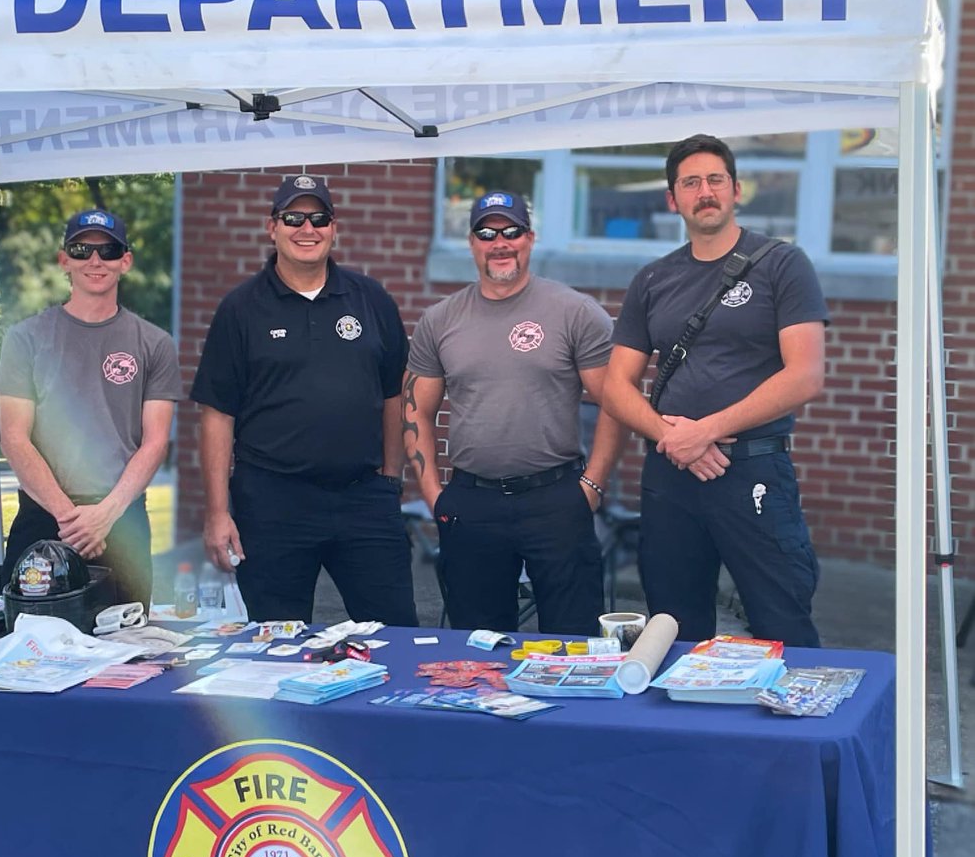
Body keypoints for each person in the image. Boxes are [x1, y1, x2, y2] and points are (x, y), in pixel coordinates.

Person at [602, 134, 828, 645]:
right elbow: (616, 386)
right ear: (672, 199)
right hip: (670, 474)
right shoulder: (653, 279)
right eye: (691, 183)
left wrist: (705, 432)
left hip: (751, 470)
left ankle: (788, 726)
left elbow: (805, 374)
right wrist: (673, 438)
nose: (705, 191)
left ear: (736, 190)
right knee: (672, 626)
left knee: (781, 619)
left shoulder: (782, 265)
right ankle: (682, 725)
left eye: (715, 180)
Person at [190, 173, 417, 626]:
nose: (306, 229)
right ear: (272, 227)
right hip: (273, 501)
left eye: (319, 218)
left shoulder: (371, 299)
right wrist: (217, 512)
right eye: (293, 217)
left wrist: (391, 478)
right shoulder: (241, 308)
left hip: (363, 498)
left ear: (335, 228)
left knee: (395, 637)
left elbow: (396, 393)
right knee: (276, 642)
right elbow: (217, 414)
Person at [402, 190, 625, 636]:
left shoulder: (575, 311)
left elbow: (617, 402)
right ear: (471, 243)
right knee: (477, 646)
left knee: (574, 642)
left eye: (511, 231)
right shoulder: (441, 320)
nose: (500, 242)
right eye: (487, 233)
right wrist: (434, 495)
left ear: (530, 238)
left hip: (557, 498)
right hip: (472, 502)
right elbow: (415, 411)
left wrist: (593, 486)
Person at [0, 209, 180, 608]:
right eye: (82, 249)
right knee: (28, 642)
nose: (95, 260)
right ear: (64, 260)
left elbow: (155, 442)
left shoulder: (154, 343)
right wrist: (69, 517)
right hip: (44, 516)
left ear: (125, 261)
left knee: (127, 651)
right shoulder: (25, 338)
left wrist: (106, 514)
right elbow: (12, 435)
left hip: (122, 519)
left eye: (108, 250)